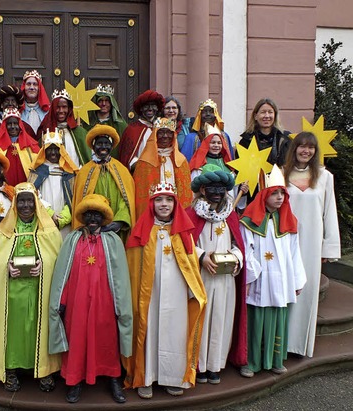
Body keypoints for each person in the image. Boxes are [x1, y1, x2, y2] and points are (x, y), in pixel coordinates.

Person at [124, 181, 206, 399]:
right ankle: (146, 377)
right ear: (152, 204)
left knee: (174, 332)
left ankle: (172, 377)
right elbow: (132, 267)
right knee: (148, 330)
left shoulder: (183, 232)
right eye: (159, 199)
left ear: (175, 204)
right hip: (150, 293)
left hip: (177, 294)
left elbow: (191, 263)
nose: (164, 204)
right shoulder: (141, 232)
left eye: (169, 199)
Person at [48, 194, 132, 404]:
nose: (93, 218)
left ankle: (113, 378)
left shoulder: (113, 241)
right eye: (89, 214)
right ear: (83, 217)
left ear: (104, 218)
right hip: (77, 303)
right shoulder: (72, 240)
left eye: (97, 214)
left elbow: (120, 276)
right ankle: (74, 380)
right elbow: (63, 274)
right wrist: (61, 301)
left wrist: (119, 304)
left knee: (107, 340)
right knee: (76, 339)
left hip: (105, 303)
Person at [0, 182, 62, 392]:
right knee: (12, 329)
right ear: (15, 204)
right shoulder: (4, 231)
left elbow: (58, 260)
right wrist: (6, 268)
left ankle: (44, 369)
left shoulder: (48, 230)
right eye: (22, 201)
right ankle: (10, 369)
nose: (26, 205)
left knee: (41, 327)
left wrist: (43, 265)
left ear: (36, 202)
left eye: (30, 201)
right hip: (12, 293)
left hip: (40, 291)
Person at [239, 165, 306, 378]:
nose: (279, 198)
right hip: (259, 281)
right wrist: (250, 276)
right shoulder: (249, 222)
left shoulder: (289, 222)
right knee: (256, 318)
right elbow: (246, 251)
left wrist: (296, 280)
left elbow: (295, 253)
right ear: (264, 195)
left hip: (281, 281)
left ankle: (275, 359)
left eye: (282, 194)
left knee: (278, 318)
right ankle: (252, 362)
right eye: (274, 193)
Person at [186, 165, 247, 385]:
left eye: (221, 188)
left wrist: (236, 258)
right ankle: (199, 365)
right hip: (200, 276)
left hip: (224, 280)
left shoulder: (230, 215)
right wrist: (201, 256)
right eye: (211, 187)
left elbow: (238, 243)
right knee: (201, 320)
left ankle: (215, 365)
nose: (216, 192)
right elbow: (184, 244)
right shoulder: (191, 214)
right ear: (202, 190)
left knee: (221, 320)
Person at [284, 132, 340, 358]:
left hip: (312, 243)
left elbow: (330, 212)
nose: (305, 151)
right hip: (285, 241)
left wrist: (328, 247)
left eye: (310, 148)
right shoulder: (281, 173)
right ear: (294, 148)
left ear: (315, 152)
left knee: (306, 289)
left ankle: (298, 344)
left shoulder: (325, 177)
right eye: (301, 146)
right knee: (285, 288)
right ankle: (280, 343)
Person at [72, 124, 135, 239]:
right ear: (93, 146)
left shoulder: (121, 169)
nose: (103, 147)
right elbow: (81, 202)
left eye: (107, 144)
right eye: (99, 143)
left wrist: (119, 221)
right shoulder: (84, 172)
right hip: (91, 229)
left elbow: (126, 200)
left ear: (111, 146)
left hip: (117, 231)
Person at [133, 117, 193, 217]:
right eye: (161, 132)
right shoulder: (144, 162)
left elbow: (186, 195)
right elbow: (141, 196)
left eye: (169, 132)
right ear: (155, 135)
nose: (165, 136)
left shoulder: (181, 161)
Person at [28, 129, 79, 238]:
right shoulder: (37, 171)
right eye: (49, 149)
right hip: (43, 219)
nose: (53, 153)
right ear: (44, 151)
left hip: (65, 223)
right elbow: (32, 194)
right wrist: (49, 213)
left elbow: (74, 197)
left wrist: (64, 217)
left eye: (56, 149)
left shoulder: (68, 171)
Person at [189, 124, 249, 208]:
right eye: (213, 142)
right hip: (204, 209)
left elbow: (233, 192)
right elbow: (193, 191)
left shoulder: (228, 166)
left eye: (219, 143)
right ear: (206, 144)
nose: (216, 145)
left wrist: (241, 191)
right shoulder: (199, 167)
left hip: (226, 210)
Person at [37, 89, 90, 166]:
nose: (61, 111)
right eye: (57, 107)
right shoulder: (45, 131)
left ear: (69, 109)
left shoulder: (80, 133)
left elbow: (86, 159)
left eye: (64, 107)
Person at [0, 107, 40, 186]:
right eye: (9, 124)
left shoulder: (31, 146)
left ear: (20, 125)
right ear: (4, 127)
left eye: (15, 123)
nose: (13, 127)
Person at [0, 85, 35, 154]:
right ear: (2, 105)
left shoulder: (27, 129)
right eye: (7, 101)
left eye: (13, 101)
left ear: (17, 105)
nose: (10, 104)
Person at [118, 89, 165, 171]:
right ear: (141, 109)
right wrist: (142, 166)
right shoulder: (132, 130)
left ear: (157, 108)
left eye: (153, 105)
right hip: (140, 173)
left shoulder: (162, 128)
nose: (150, 109)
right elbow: (127, 158)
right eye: (146, 106)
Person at [84, 84, 128, 157]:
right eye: (100, 101)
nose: (103, 104)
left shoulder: (120, 125)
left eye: (107, 101)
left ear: (111, 103)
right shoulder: (86, 124)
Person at [20, 70, 51, 134]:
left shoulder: (48, 110)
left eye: (35, 84)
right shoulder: (18, 110)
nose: (31, 87)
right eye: (28, 84)